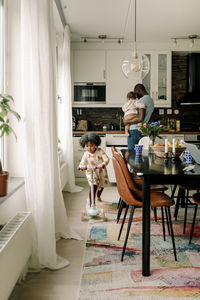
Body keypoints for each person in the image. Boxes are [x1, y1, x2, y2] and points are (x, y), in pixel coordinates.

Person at [78, 133, 109, 206]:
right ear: (84, 146)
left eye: (91, 145)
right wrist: (81, 166)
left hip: (101, 171)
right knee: (93, 185)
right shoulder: (86, 154)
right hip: (90, 172)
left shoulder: (100, 151)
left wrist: (103, 164)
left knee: (101, 186)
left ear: (95, 144)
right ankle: (92, 203)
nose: (89, 148)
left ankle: (98, 196)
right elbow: (82, 162)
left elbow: (106, 159)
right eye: (87, 146)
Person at [123, 83, 154, 150]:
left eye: (136, 93)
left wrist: (126, 121)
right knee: (143, 156)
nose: (136, 96)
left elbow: (140, 118)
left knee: (132, 155)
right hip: (143, 130)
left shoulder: (142, 100)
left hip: (135, 131)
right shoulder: (151, 100)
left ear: (139, 90)